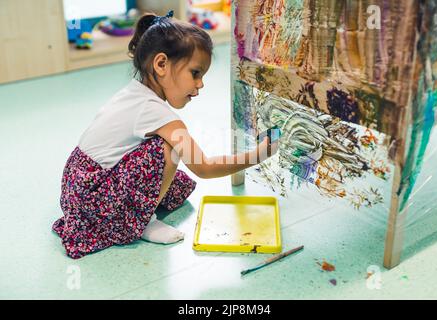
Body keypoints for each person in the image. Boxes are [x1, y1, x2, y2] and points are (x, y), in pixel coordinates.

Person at [52, 11, 278, 259]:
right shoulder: (157, 114)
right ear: (161, 65)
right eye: (195, 73)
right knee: (167, 149)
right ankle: (141, 222)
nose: (201, 84)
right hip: (93, 198)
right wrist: (259, 154)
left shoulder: (134, 93)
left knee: (174, 177)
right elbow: (203, 167)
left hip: (78, 186)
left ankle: (134, 210)